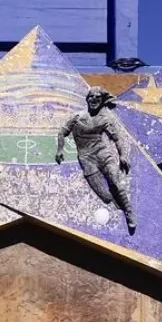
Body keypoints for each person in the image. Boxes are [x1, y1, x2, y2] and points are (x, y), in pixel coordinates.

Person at [55, 87, 137, 234]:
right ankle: (119, 205)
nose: (94, 100)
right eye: (92, 97)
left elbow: (117, 139)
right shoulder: (78, 117)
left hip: (103, 154)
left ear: (101, 101)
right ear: (87, 99)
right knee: (105, 196)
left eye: (98, 98)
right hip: (86, 159)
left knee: (115, 181)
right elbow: (62, 132)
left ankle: (129, 211)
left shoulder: (104, 119)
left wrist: (122, 155)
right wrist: (60, 150)